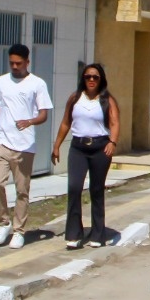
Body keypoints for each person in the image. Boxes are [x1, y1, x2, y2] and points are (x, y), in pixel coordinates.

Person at [0, 42, 53, 250]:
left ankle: (19, 230)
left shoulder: (37, 84)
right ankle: (3, 223)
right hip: (1, 142)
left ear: (27, 62)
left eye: (19, 63)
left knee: (22, 190)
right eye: (12, 63)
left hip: (24, 145)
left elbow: (43, 114)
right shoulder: (0, 82)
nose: (15, 67)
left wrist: (29, 121)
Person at [50, 62, 121, 250]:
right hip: (78, 147)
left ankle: (98, 233)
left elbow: (114, 123)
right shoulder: (75, 98)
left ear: (101, 80)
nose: (91, 80)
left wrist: (112, 142)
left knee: (96, 190)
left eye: (95, 77)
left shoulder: (107, 100)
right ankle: (74, 234)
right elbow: (66, 122)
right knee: (74, 187)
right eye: (88, 77)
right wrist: (56, 145)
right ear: (83, 79)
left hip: (100, 147)